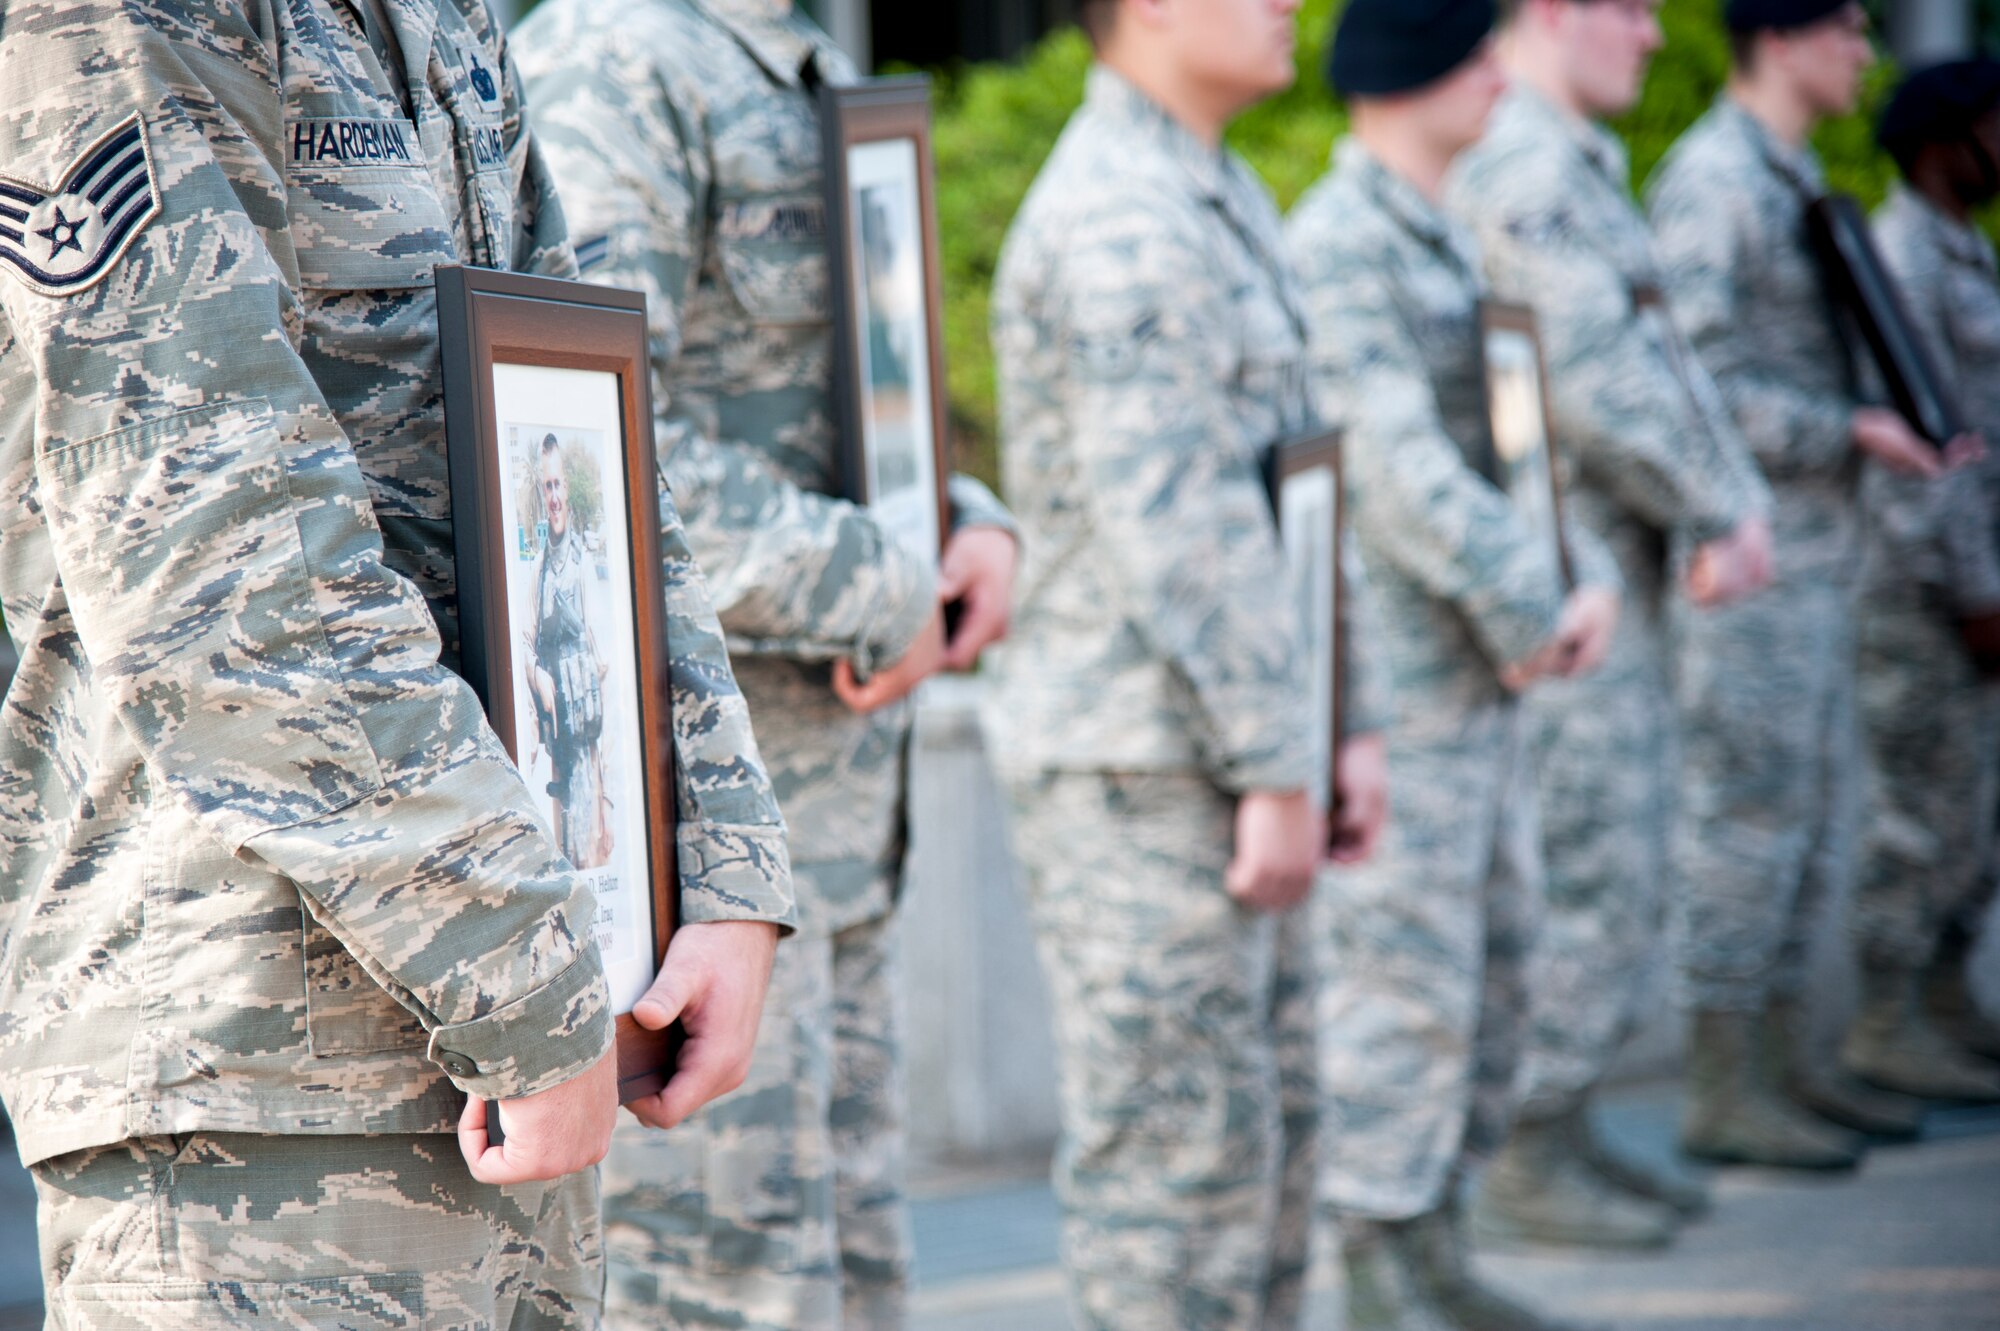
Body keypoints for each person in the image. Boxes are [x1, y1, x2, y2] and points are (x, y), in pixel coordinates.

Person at [0, 1, 794, 1324]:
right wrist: (527, 973)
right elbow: (213, 546)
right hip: (255, 1082)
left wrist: (708, 858)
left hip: (519, 1023)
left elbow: (588, 435)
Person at [517, 4, 1019, 1328]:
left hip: (828, 839)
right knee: (722, 1293)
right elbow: (599, 448)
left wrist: (969, 523)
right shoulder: (616, 61)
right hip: (690, 860)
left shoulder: (801, 61)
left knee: (849, 1282)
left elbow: (852, 421)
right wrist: (893, 580)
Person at [989, 0, 1392, 1325]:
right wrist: (1285, 752)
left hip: (1224, 742)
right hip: (1144, 762)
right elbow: (1185, 531)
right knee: (1177, 1168)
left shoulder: (1208, 192)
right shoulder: (1125, 214)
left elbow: (1296, 491)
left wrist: (1342, 721)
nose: (1288, 8)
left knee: (1260, 1152)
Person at [1288, 1, 1627, 1326]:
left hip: (1483, 682)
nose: (1501, 78)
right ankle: (1378, 1265)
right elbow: (1401, 469)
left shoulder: (1445, 231)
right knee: (1403, 989)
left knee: (1491, 971)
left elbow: (1516, 451)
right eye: (1475, 55)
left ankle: (1436, 1237)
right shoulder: (1340, 245)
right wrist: (1539, 596)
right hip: (1404, 688)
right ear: (1407, 74)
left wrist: (1576, 567)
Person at [1443, 0, 1777, 1250]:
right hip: (1561, 581)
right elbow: (1592, 377)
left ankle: (1561, 1120)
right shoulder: (1524, 160)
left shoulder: (1567, 155)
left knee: (1613, 864)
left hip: (1599, 572)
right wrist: (1720, 501)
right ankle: (1527, 1144)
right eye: (1629, 8)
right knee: (1584, 867)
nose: (1648, 37)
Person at [1647, 0, 1961, 1169]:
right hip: (1753, 562)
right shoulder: (1713, 183)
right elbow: (1690, 383)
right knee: (1745, 825)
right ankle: (1723, 1082)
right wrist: (1849, 429)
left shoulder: (1779, 175)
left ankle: (1782, 1065)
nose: (1867, 57)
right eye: (1846, 29)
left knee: (1803, 825)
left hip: (1815, 553)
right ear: (1780, 38)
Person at [1845, 58, 2000, 1099]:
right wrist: (1973, 591)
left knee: (1967, 819)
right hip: (1922, 590)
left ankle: (1940, 999)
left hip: (1969, 573)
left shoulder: (1962, 251)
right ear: (1947, 139)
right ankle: (1880, 1019)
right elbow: (1917, 449)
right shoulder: (1900, 254)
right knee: (1919, 821)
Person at [528, 434, 615, 871]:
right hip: (557, 757)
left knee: (589, 861)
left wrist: (608, 797)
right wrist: (537, 676)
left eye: (559, 485)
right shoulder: (540, 570)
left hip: (587, 755)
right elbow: (527, 642)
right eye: (548, 487)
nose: (555, 497)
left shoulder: (581, 563)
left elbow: (606, 666)